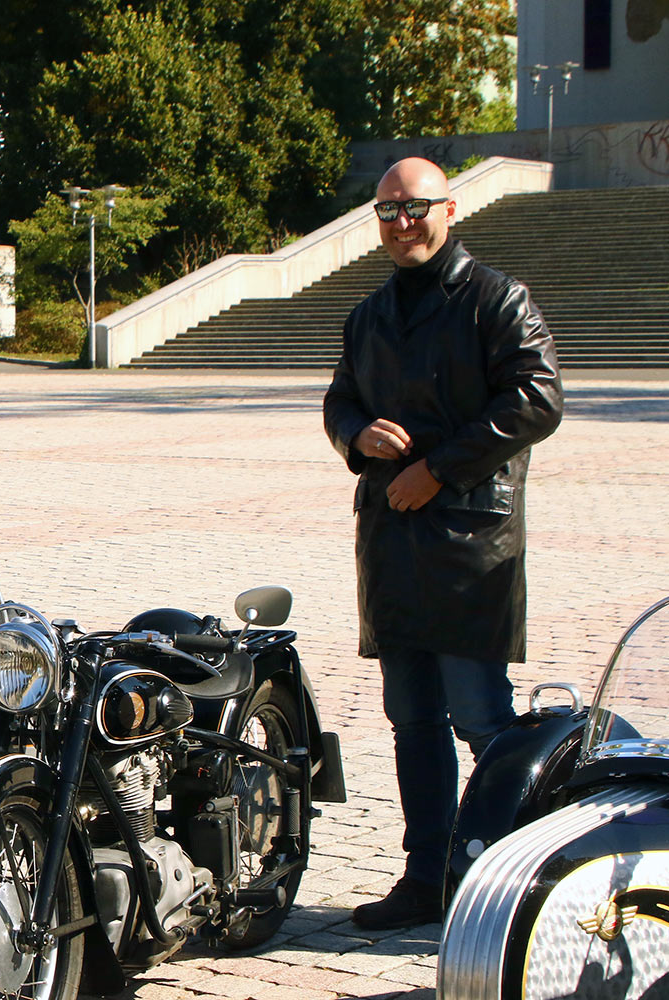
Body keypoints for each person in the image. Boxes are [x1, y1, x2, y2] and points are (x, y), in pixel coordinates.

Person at [323, 157, 564, 930]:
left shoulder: (498, 299)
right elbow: (340, 400)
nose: (403, 224)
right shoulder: (368, 314)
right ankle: (426, 877)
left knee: (482, 721)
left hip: (470, 544)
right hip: (392, 542)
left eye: (416, 208)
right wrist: (357, 433)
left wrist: (439, 468)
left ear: (449, 210)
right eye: (388, 211)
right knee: (412, 719)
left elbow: (538, 398)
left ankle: (500, 884)